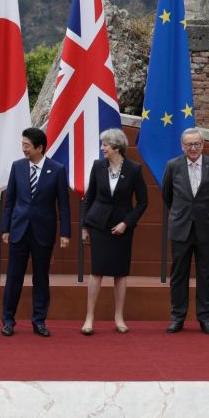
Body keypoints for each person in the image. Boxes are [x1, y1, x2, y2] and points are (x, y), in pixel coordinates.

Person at [1, 127, 71, 337]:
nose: (23, 149)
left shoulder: (57, 169)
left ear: (39, 148)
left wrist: (65, 233)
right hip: (19, 230)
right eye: (22, 145)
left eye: (27, 146)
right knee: (14, 277)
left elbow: (64, 205)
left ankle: (39, 321)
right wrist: (5, 228)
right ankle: (7, 321)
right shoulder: (18, 167)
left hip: (43, 232)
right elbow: (10, 201)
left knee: (41, 277)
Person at [79, 128, 148, 335]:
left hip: (122, 227)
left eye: (105, 145)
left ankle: (119, 317)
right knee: (96, 271)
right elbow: (89, 197)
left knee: (120, 272)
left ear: (116, 147)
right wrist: (84, 226)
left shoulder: (134, 169)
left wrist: (126, 223)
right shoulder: (98, 166)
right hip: (98, 224)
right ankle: (89, 317)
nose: (102, 149)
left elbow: (143, 202)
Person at [162, 127, 209, 335]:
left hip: (206, 229)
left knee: (206, 274)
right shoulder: (173, 166)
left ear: (203, 145)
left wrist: (206, 214)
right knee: (179, 274)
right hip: (181, 229)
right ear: (182, 146)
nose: (193, 148)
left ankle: (205, 317)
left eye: (197, 144)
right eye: (189, 144)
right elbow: (167, 196)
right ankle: (177, 316)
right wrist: (184, 214)